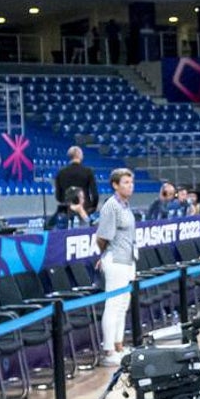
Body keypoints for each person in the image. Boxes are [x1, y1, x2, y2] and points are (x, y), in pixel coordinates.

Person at [95, 168, 136, 366]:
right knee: (113, 306)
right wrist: (104, 255)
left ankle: (119, 346)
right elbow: (102, 237)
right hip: (116, 261)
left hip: (128, 260)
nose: (130, 186)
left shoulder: (126, 206)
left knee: (122, 306)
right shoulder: (110, 207)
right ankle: (108, 349)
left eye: (131, 182)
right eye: (126, 182)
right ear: (115, 185)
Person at [54, 146, 99, 218]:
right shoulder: (88, 171)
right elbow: (95, 194)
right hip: (85, 208)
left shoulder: (61, 172)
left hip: (67, 209)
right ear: (80, 155)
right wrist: (93, 207)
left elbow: (58, 196)